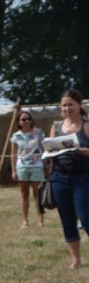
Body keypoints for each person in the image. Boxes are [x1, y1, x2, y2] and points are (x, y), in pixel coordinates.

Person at [48, 89, 89, 269]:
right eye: (64, 105)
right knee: (67, 221)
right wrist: (49, 151)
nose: (67, 108)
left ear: (80, 105)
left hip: (82, 180)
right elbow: (49, 150)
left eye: (70, 104)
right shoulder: (56, 127)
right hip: (58, 179)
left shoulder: (87, 126)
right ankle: (76, 260)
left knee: (86, 220)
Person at [10, 110, 46, 228]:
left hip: (37, 166)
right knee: (24, 194)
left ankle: (41, 220)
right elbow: (13, 154)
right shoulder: (15, 136)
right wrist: (14, 171)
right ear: (19, 122)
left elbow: (46, 148)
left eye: (28, 119)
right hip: (22, 166)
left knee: (38, 194)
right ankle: (25, 221)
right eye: (23, 119)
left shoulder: (39, 133)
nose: (26, 121)